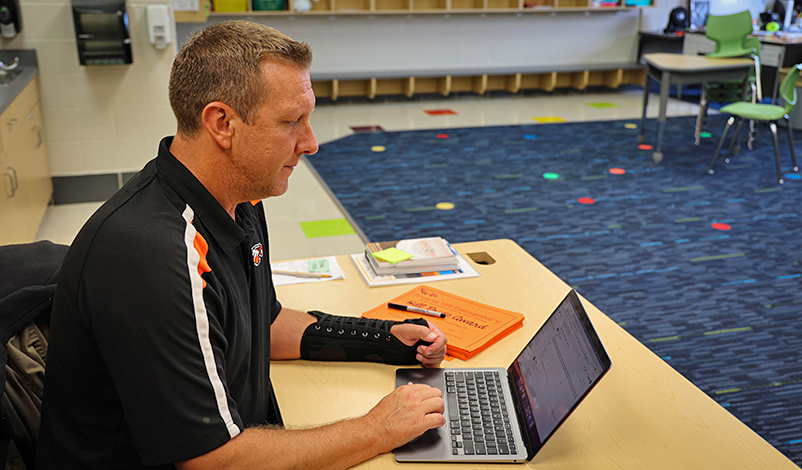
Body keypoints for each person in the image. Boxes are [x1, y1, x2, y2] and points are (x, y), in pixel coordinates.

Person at [37, 21, 447, 469]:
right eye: (291, 122)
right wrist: (376, 429)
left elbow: (262, 326)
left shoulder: (240, 198)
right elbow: (212, 460)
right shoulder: (153, 252)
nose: (310, 143)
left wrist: (384, 339)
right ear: (222, 123)